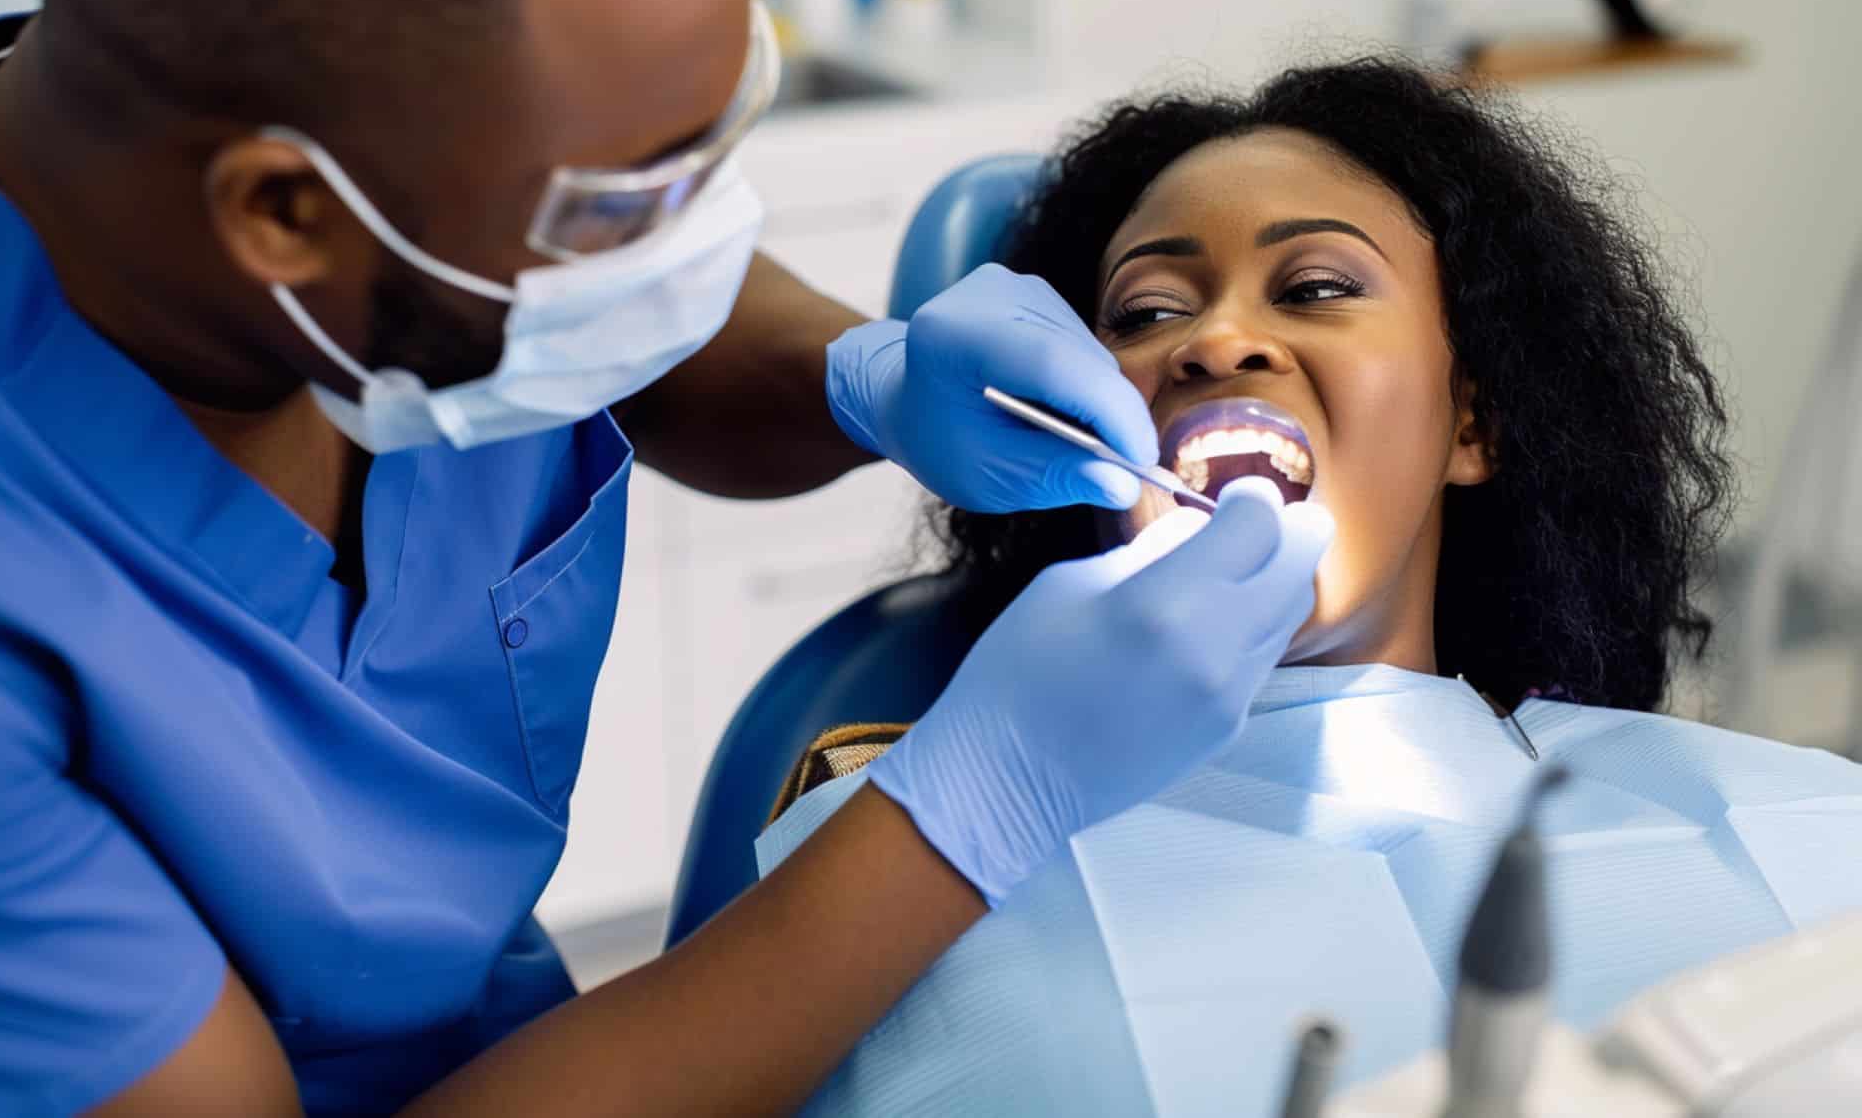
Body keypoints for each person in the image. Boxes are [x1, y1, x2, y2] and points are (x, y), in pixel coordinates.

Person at [0, 0, 1337, 1114]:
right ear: (286, 219)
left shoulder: (366, 140)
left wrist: (855, 378)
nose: (698, 243)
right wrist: (969, 807)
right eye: (634, 208)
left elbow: (643, 316)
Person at [759, 59, 1862, 1113]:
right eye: (1143, 313)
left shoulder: (1780, 812)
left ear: (1470, 422)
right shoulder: (895, 852)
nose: (1216, 339)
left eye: (1316, 286)